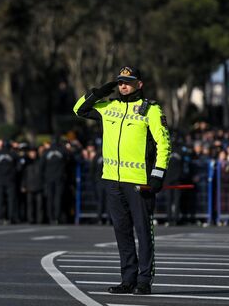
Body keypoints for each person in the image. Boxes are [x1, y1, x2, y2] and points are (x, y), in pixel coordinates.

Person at [73, 66, 171, 295]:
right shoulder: (109, 107)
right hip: (112, 180)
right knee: (122, 231)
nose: (123, 85)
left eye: (128, 81)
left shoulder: (151, 109)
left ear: (140, 84)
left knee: (143, 231)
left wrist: (157, 174)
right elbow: (78, 109)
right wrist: (99, 92)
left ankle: (144, 280)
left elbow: (164, 144)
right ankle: (128, 279)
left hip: (138, 182)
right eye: (119, 82)